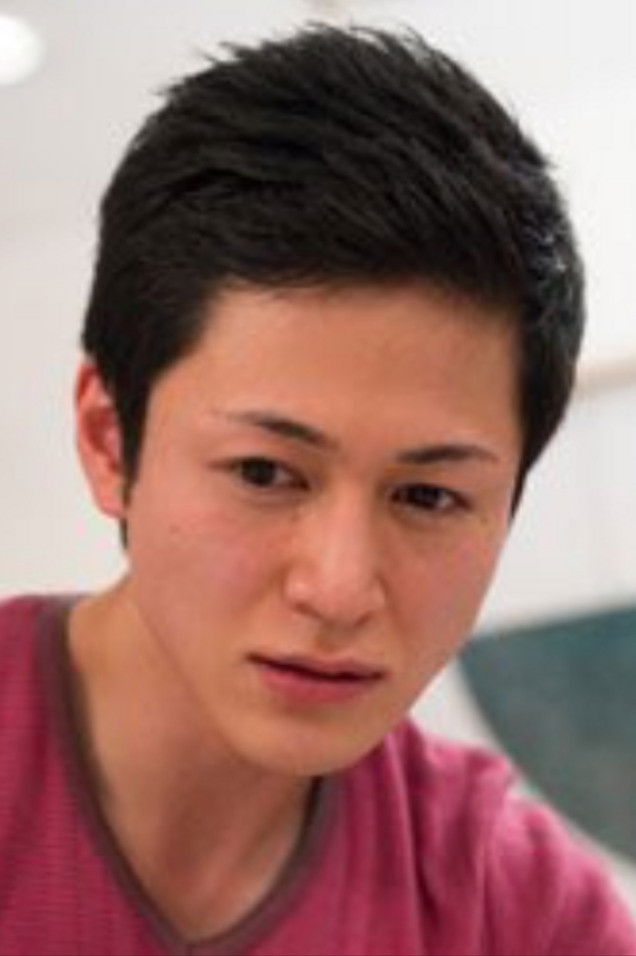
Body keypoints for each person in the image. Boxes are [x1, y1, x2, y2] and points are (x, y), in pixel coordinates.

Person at [1, 23, 635, 956]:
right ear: (108, 441)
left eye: (428, 497)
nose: (338, 589)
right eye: (264, 473)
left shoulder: (520, 914)